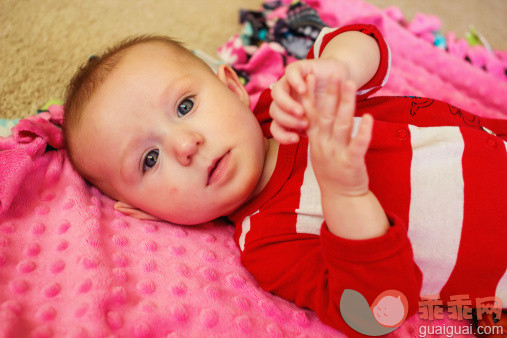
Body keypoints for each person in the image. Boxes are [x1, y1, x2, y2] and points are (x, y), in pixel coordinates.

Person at [63, 24, 506, 335]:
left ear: (233, 88)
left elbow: (368, 43)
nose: (187, 145)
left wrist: (338, 68)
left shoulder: (288, 102)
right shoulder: (269, 245)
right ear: (143, 212)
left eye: (184, 107)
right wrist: (345, 194)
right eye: (150, 159)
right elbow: (378, 313)